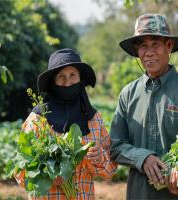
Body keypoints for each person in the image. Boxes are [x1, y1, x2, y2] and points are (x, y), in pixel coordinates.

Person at [110, 13, 178, 199]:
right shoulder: (128, 93)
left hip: (176, 193)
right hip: (139, 194)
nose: (149, 52)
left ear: (168, 46)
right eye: (143, 46)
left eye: (155, 44)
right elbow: (115, 145)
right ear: (137, 52)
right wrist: (142, 157)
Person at [15, 48, 117, 199]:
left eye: (72, 75)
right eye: (61, 77)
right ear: (53, 82)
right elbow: (20, 173)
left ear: (80, 79)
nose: (67, 82)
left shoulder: (93, 119)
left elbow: (109, 172)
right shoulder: (38, 119)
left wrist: (99, 157)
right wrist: (47, 175)